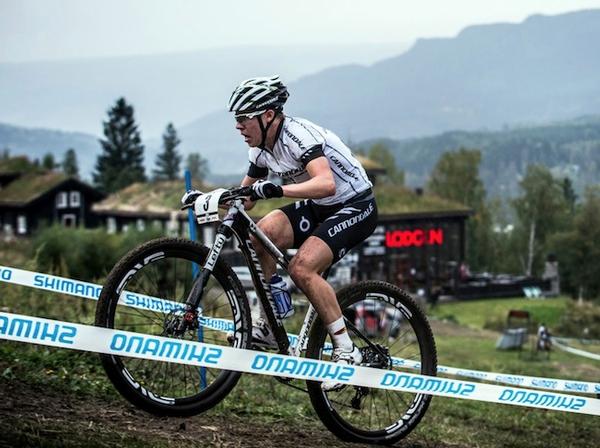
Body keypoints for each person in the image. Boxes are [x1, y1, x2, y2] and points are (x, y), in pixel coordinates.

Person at [229, 75, 378, 390]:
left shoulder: (298, 136)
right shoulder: (260, 148)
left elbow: (326, 184)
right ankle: (270, 323)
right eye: (236, 120)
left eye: (244, 119)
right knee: (260, 234)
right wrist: (215, 200)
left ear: (268, 115)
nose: (239, 127)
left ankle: (347, 352)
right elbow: (246, 198)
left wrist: (278, 189)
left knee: (302, 267)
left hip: (353, 205)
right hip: (319, 206)